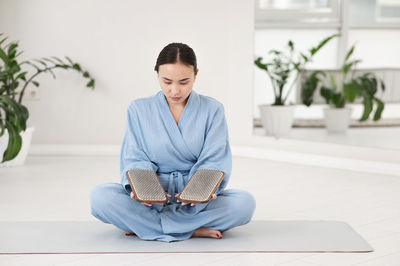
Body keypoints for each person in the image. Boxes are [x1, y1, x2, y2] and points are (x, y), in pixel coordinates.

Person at [89, 42, 256, 242]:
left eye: (184, 82)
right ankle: (192, 229)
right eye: (166, 81)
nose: (175, 90)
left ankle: (146, 227)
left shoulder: (213, 109)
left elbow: (215, 158)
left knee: (244, 204)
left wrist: (206, 188)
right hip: (152, 197)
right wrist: (141, 188)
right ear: (157, 75)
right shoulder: (139, 109)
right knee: (101, 197)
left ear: (196, 74)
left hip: (195, 200)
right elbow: (134, 156)